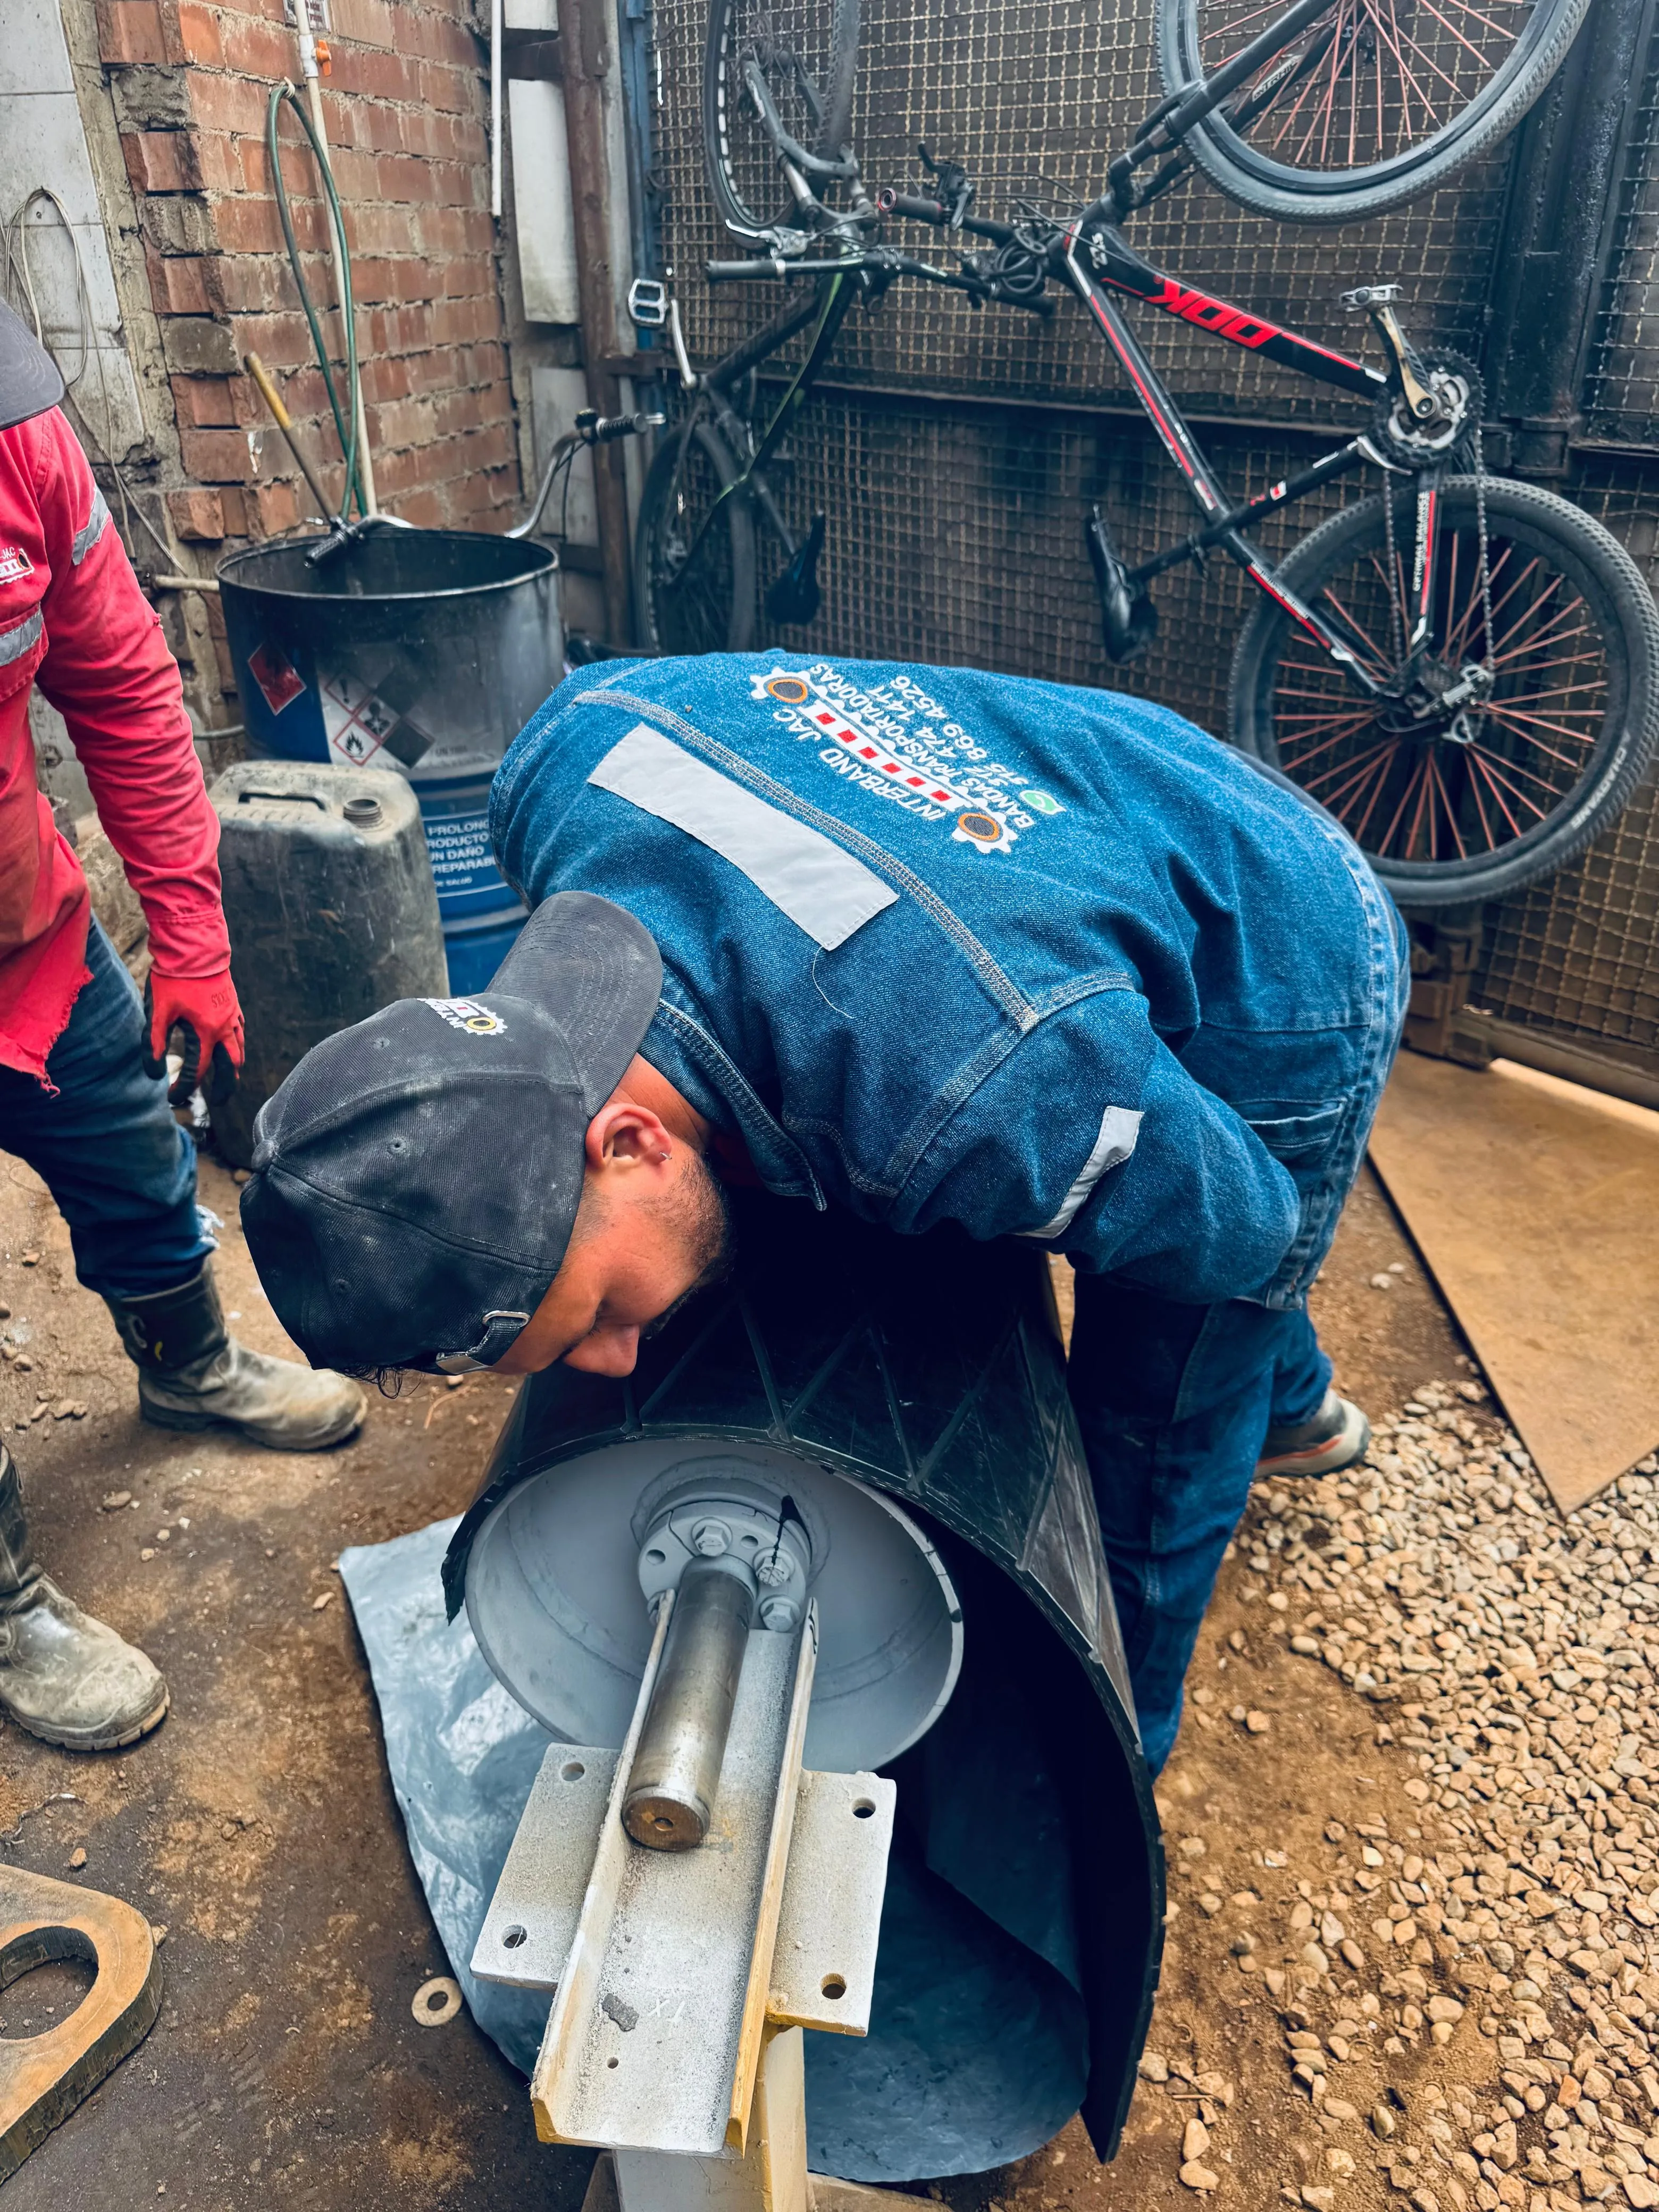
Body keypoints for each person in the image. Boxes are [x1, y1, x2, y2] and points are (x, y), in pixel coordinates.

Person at [242, 650, 1407, 1771]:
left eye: (597, 1311)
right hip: (1075, 793)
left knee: (1171, 1389)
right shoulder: (561, 758)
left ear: (630, 1140)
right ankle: (1301, 1410)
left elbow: (1252, 1230)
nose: (620, 1354)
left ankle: (1117, 1754)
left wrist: (1049, 1206)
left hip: (1279, 948)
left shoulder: (985, 1093)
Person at [0, 300, 363, 1752]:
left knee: (140, 1161)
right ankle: (7, 1604)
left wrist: (192, 943)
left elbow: (125, 688)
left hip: (25, 934)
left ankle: (189, 1365)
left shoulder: (20, 436)